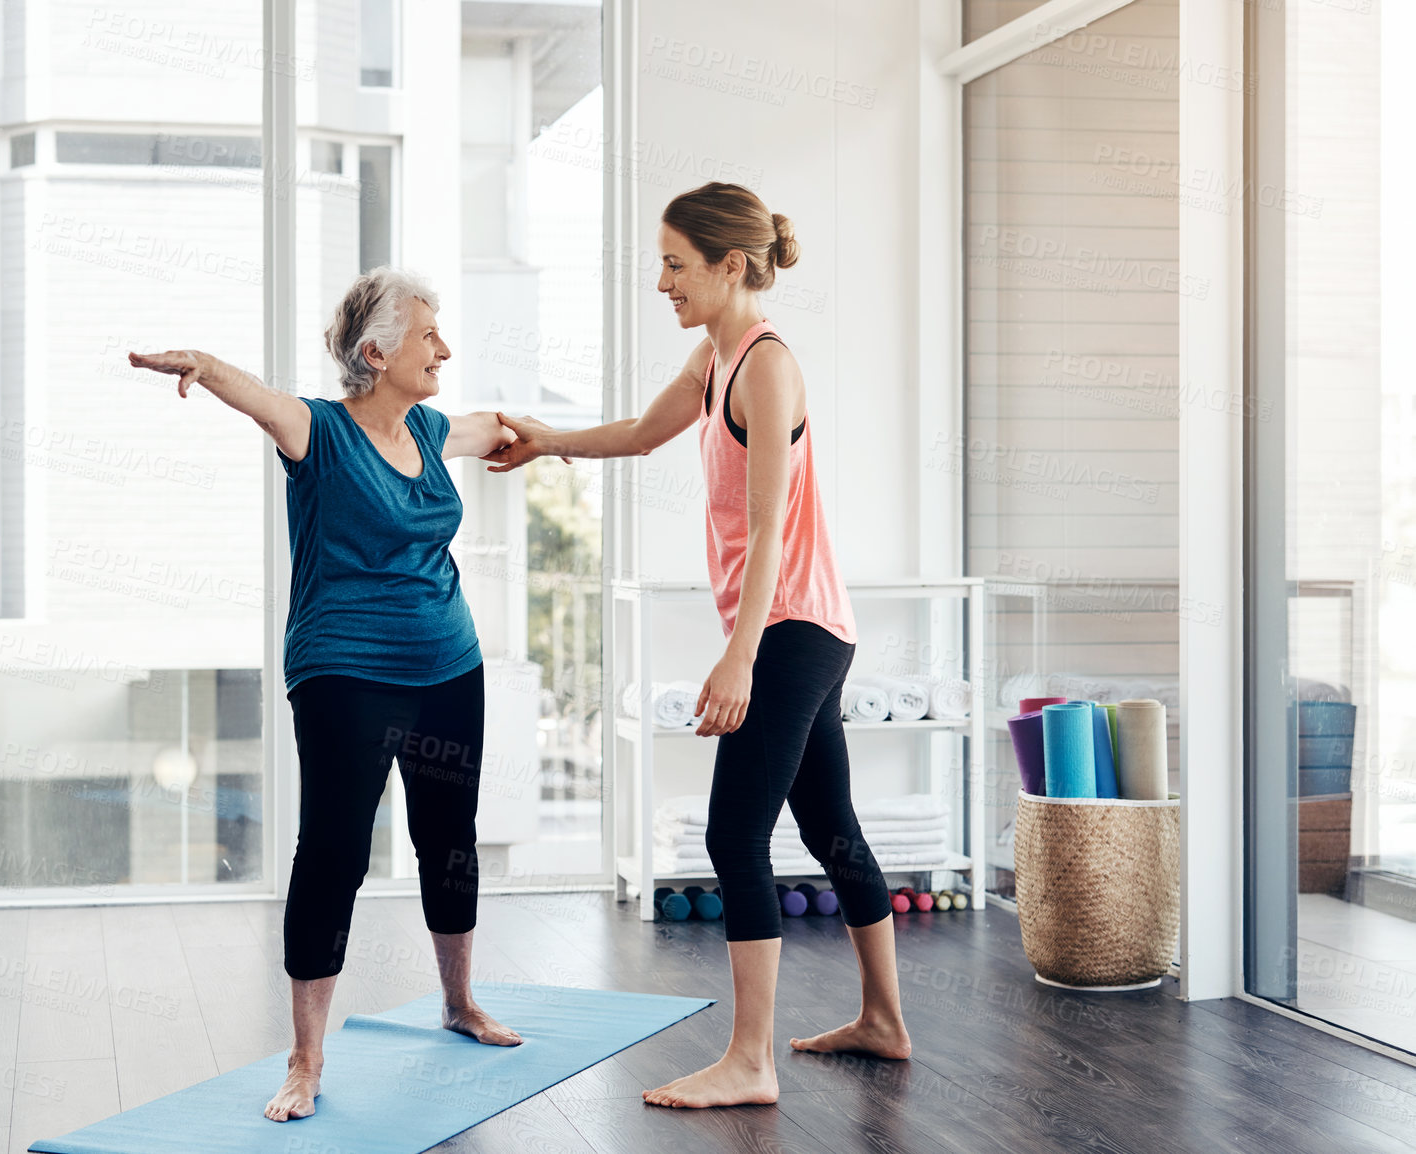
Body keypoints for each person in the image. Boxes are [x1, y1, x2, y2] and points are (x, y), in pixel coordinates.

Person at [482, 182, 912, 1108]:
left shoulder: (764, 366)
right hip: (802, 624)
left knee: (732, 834)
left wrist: (740, 655)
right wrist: (547, 442)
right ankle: (883, 1019)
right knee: (832, 827)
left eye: (677, 263)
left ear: (729, 265)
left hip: (793, 628)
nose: (663, 280)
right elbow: (643, 435)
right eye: (663, 262)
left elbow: (768, 530)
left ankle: (749, 1063)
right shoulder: (713, 359)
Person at [130, 267, 539, 1123]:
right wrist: (203, 364)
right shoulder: (317, 432)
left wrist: (563, 436)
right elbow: (258, 399)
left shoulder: (428, 430)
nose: (444, 349)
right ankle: (305, 1058)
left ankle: (460, 1004)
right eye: (430, 335)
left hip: (449, 666)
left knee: (448, 839)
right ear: (375, 351)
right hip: (345, 673)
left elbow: (493, 427)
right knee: (335, 853)